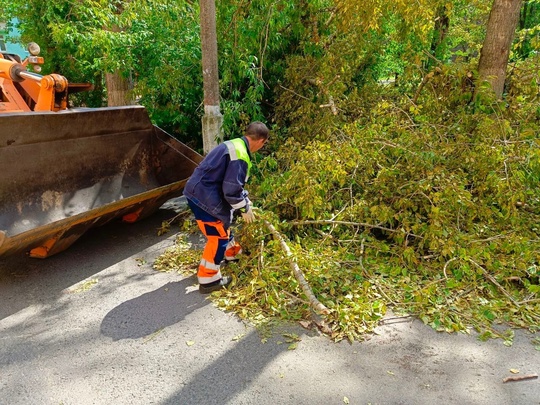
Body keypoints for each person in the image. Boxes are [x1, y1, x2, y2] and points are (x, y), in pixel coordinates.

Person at [183, 121, 269, 294]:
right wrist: (244, 208)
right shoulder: (241, 155)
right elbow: (231, 190)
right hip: (204, 197)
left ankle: (232, 254)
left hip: (200, 192)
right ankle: (208, 279)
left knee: (223, 226)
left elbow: (232, 183)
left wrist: (245, 201)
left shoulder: (236, 145)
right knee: (218, 238)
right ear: (261, 141)